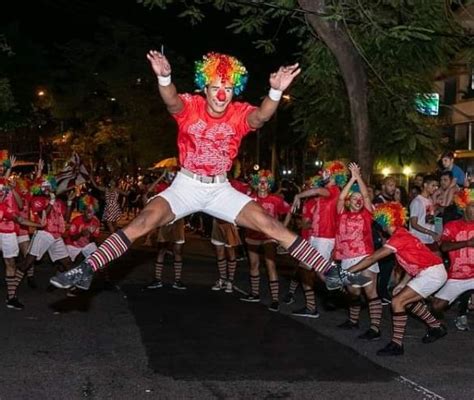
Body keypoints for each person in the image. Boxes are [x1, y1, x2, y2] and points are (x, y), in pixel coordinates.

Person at [50, 51, 354, 291]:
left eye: (228, 88)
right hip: (186, 186)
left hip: (221, 189)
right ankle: (86, 269)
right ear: (204, 87)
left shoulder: (238, 113)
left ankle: (329, 272)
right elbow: (170, 102)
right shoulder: (190, 106)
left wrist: (274, 93)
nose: (222, 94)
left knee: (270, 225)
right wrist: (165, 78)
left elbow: (261, 118)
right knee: (145, 220)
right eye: (216, 87)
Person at [337, 203, 448, 356]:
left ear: (384, 222)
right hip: (431, 271)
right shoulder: (403, 233)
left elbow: (373, 258)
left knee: (397, 302)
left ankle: (397, 345)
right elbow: (413, 263)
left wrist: (345, 272)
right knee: (407, 301)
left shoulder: (398, 238)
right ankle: (436, 327)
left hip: (432, 273)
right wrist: (402, 283)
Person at [334, 163, 382, 341]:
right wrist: (352, 179)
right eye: (353, 197)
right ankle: (353, 321)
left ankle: (375, 328)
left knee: (370, 292)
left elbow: (367, 198)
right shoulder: (341, 214)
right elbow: (340, 198)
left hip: (366, 256)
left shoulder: (367, 214)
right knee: (353, 293)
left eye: (359, 197)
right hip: (347, 258)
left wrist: (358, 177)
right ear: (349, 200)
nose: (358, 199)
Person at [240, 170, 291, 312]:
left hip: (269, 237)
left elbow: (289, 211)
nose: (263, 184)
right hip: (252, 236)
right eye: (260, 182)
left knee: (270, 265)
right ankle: (255, 294)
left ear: (269, 185)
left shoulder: (276, 199)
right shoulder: (249, 199)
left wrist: (282, 228)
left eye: (266, 182)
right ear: (256, 184)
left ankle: (275, 299)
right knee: (254, 265)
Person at [430, 188, 474, 331]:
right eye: (473, 206)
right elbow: (444, 247)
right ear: (463, 206)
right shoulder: (452, 226)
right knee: (436, 307)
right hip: (457, 276)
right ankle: (441, 323)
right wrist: (467, 243)